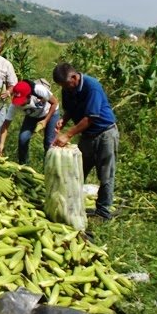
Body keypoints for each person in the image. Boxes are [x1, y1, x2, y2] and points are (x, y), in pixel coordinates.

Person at [52, 62, 119, 221]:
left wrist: (67, 135)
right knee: (77, 171)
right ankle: (72, 205)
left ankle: (103, 212)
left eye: (67, 85)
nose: (66, 89)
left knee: (106, 174)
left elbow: (90, 118)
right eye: (63, 86)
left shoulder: (92, 86)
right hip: (87, 135)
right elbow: (70, 108)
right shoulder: (67, 88)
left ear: (74, 77)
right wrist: (64, 119)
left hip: (105, 133)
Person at [0, 78, 60, 164]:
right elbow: (5, 125)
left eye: (22, 101)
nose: (20, 104)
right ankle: (23, 167)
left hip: (50, 112)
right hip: (32, 116)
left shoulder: (39, 90)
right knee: (23, 139)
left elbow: (55, 103)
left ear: (29, 95)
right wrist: (1, 144)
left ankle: (48, 168)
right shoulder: (14, 105)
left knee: (49, 143)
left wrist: (45, 120)